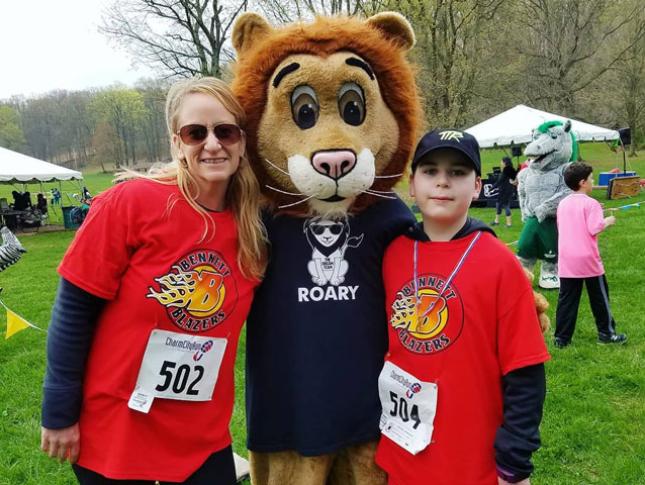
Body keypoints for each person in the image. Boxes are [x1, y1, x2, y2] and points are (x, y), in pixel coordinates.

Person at [40, 76, 267, 485]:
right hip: (118, 432)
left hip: (201, 439)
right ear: (176, 142)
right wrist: (59, 411)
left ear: (242, 142)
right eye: (196, 132)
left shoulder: (254, 226)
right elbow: (74, 310)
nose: (212, 144)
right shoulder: (131, 204)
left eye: (226, 131)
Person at [375, 129, 550, 485]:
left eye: (457, 172)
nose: (443, 182)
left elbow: (526, 372)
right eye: (430, 171)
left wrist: (514, 460)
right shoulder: (390, 254)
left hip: (474, 460)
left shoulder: (499, 263)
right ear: (411, 184)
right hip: (402, 454)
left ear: (477, 187)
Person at [554, 162, 627, 348]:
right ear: (582, 182)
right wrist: (607, 220)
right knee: (599, 298)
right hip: (588, 260)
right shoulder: (592, 204)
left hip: (567, 260)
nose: (593, 181)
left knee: (567, 300)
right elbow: (594, 227)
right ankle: (606, 334)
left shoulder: (562, 203)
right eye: (591, 178)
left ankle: (561, 339)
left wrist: (595, 210)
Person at [492, 156, 517, 227]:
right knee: (498, 204)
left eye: (502, 161)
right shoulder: (511, 169)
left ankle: (509, 224)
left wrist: (492, 188)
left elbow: (499, 181)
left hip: (504, 191)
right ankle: (496, 221)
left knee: (506, 206)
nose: (501, 163)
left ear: (505, 162)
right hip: (509, 190)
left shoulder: (506, 170)